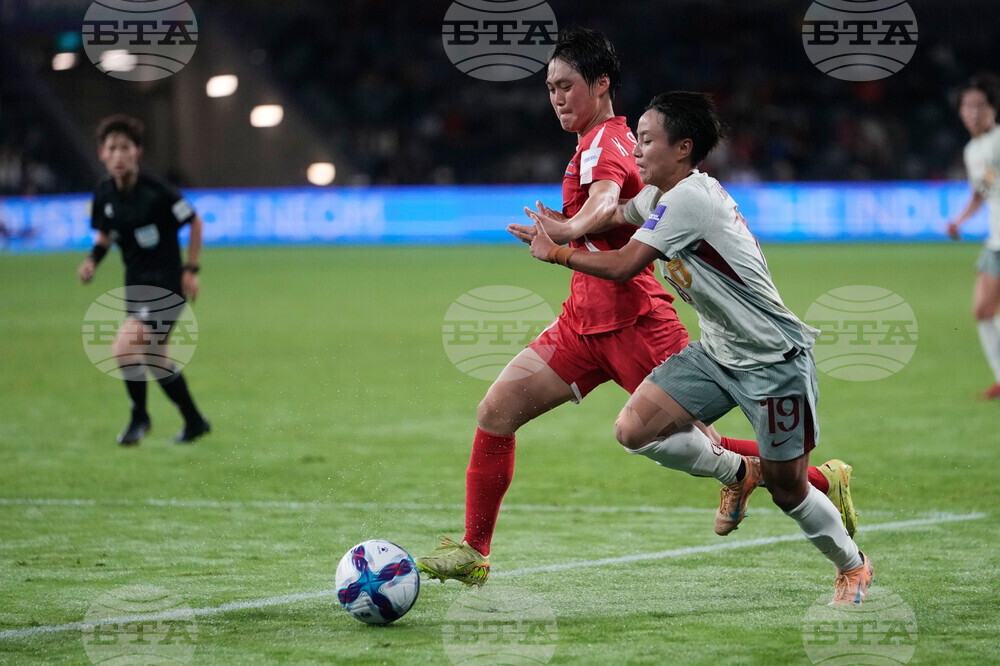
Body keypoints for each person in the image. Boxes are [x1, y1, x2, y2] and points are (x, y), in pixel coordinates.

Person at [416, 28, 856, 589]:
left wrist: (565, 236)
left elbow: (605, 205)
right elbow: (623, 209)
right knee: (496, 412)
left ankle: (818, 481)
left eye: (565, 86)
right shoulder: (610, 143)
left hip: (635, 321)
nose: (555, 98)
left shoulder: (608, 142)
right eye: (548, 87)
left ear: (601, 86)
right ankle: (475, 553)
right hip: (582, 320)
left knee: (693, 439)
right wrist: (567, 227)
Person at [509, 91, 873, 605]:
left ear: (683, 148)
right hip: (718, 354)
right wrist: (565, 223)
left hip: (773, 360)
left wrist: (559, 253)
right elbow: (616, 216)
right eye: (636, 137)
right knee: (634, 429)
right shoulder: (662, 195)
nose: (636, 148)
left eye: (648, 139)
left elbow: (624, 264)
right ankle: (738, 472)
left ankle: (853, 565)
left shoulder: (690, 200)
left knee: (790, 489)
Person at [78, 114, 210, 446]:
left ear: (138, 151)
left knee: (123, 349)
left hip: (167, 286)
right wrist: (92, 261)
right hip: (135, 285)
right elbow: (106, 233)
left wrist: (191, 270)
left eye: (126, 147)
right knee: (154, 359)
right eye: (112, 148)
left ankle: (140, 416)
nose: (119, 154)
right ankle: (195, 422)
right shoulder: (104, 192)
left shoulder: (158, 192)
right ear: (102, 154)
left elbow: (195, 223)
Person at [946, 73, 1000, 399]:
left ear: (993, 108)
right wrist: (959, 221)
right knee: (982, 310)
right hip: (996, 243)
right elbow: (981, 193)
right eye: (967, 106)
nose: (973, 112)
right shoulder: (972, 150)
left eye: (980, 105)